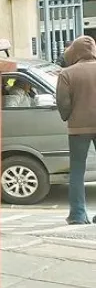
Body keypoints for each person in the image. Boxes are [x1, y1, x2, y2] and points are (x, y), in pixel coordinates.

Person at [55, 35, 96, 225]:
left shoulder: (67, 73)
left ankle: (78, 215)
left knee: (77, 171)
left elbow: (63, 103)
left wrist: (69, 116)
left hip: (78, 127)